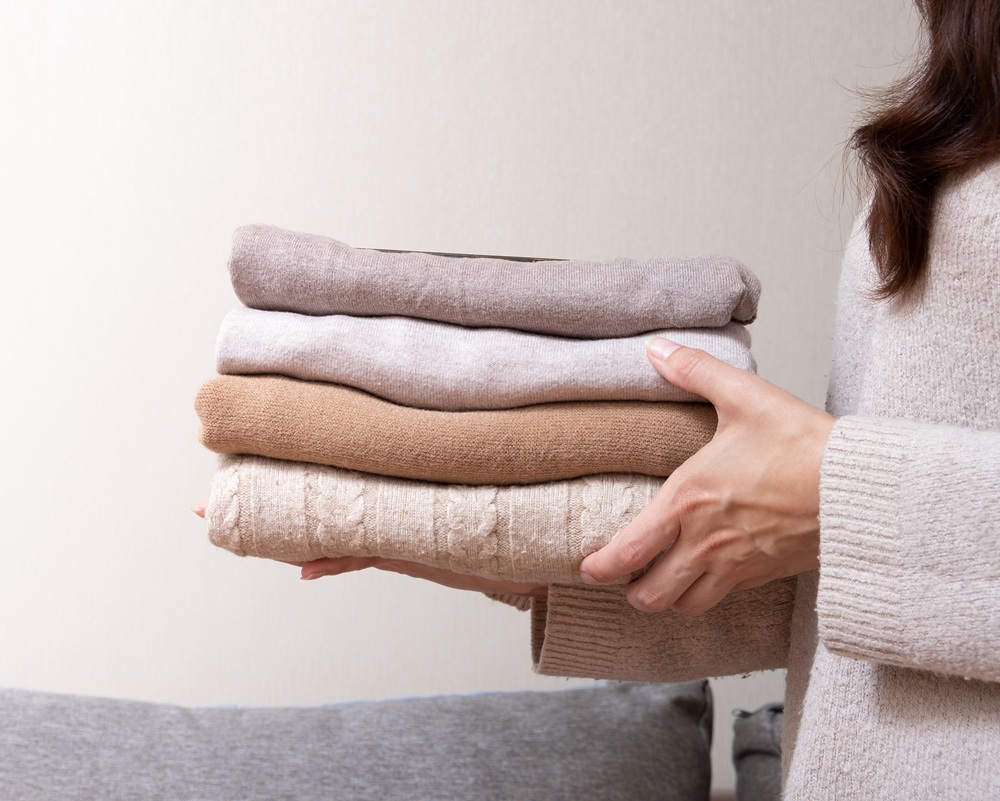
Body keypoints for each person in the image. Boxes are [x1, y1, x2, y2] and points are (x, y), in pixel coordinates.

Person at [199, 1, 1000, 796]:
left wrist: (841, 498)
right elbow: (864, 605)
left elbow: (848, 517)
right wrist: (493, 533)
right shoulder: (971, 100)